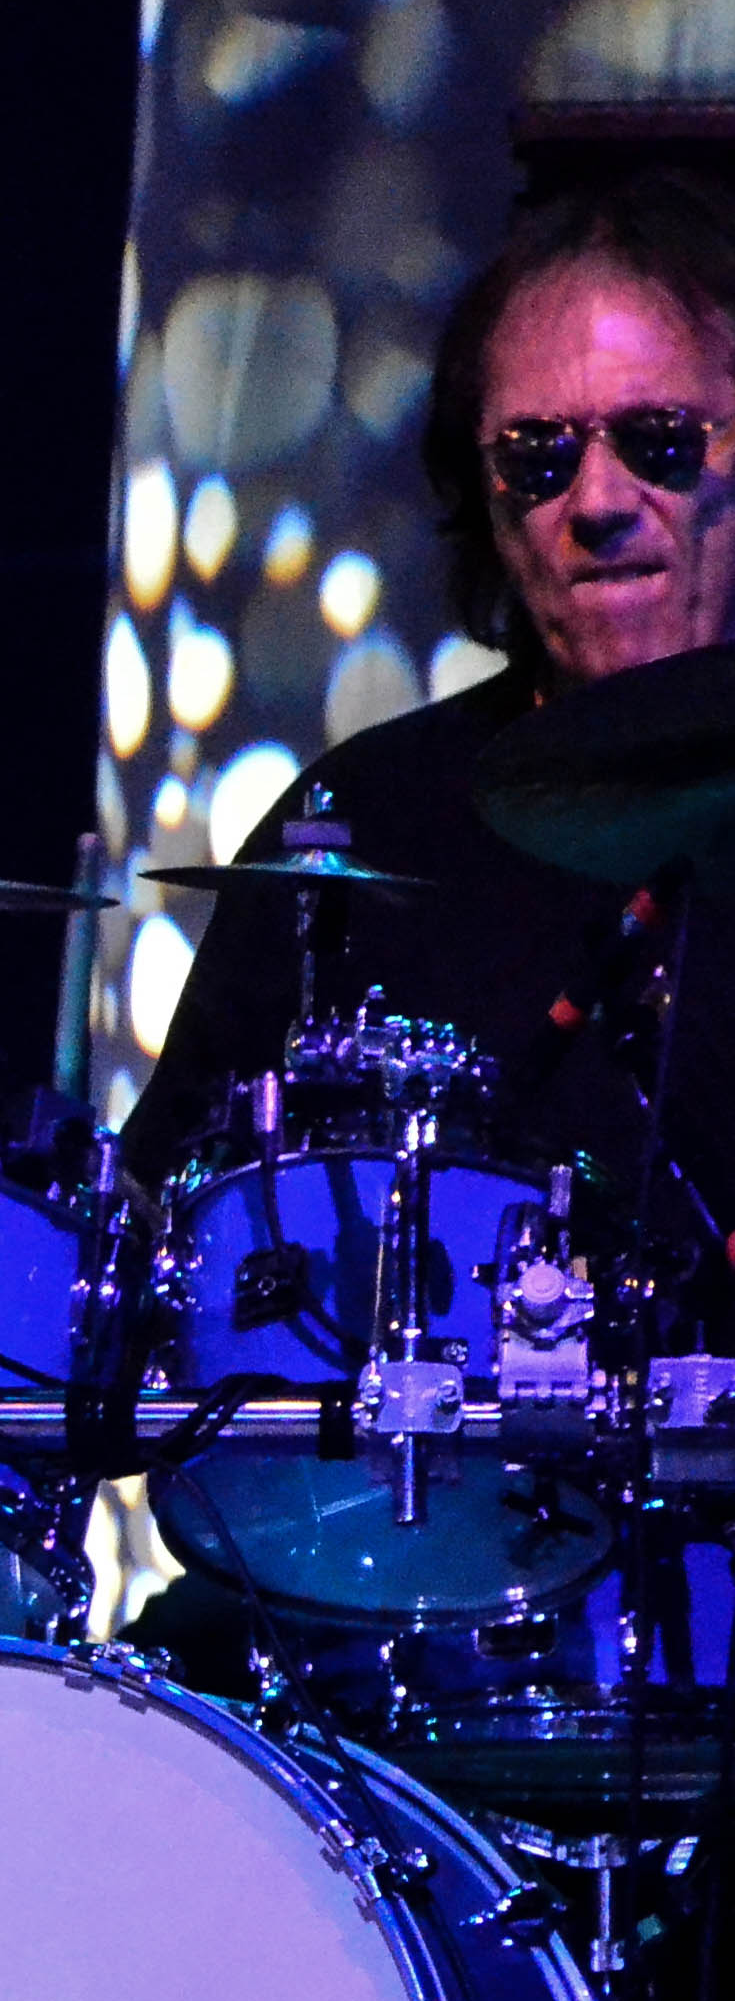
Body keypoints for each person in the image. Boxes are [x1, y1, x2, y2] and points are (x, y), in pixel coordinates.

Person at [124, 164, 735, 1292]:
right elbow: (161, 1238)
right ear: (483, 495)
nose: (596, 502)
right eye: (538, 457)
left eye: (660, 439)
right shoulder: (358, 825)